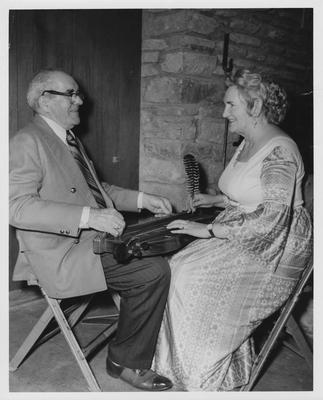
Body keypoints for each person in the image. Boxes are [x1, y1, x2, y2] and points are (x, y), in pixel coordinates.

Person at [9, 69, 174, 391]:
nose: (80, 100)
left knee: (162, 244)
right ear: (45, 100)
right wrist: (89, 217)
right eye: (71, 94)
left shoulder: (68, 140)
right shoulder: (26, 141)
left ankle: (136, 341)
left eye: (77, 94)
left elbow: (99, 190)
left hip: (90, 242)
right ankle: (127, 361)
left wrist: (143, 199)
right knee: (153, 271)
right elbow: (14, 206)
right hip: (61, 253)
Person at [152, 69, 313, 391]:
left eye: (230, 105)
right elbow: (249, 192)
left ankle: (204, 375)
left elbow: (272, 217)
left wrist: (208, 231)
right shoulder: (249, 141)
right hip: (241, 230)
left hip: (274, 249)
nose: (224, 113)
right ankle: (192, 367)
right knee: (176, 267)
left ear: (255, 107)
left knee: (188, 273)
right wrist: (217, 198)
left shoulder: (280, 150)